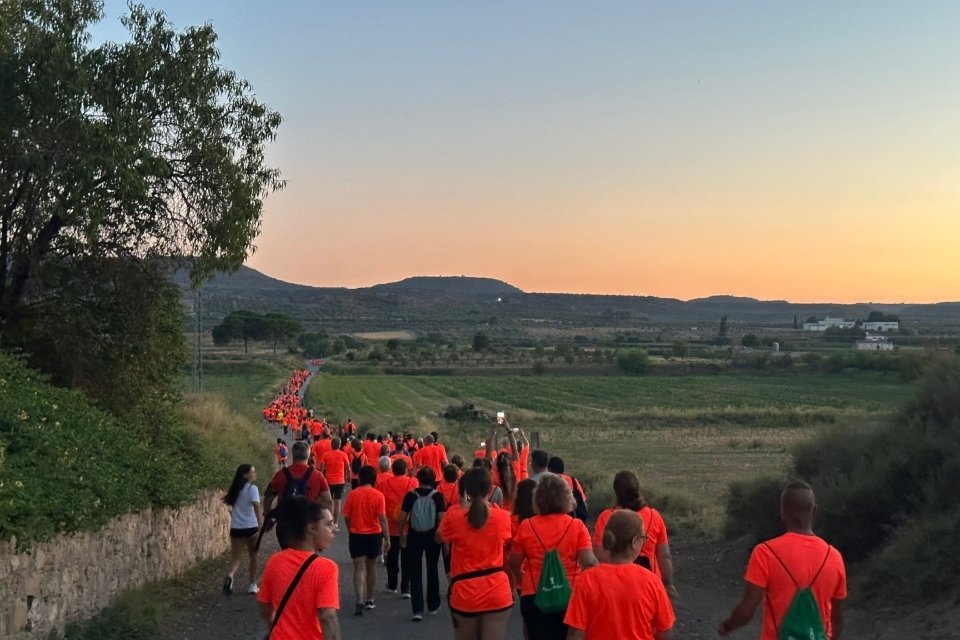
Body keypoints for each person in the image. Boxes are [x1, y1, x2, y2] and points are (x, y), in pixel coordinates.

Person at [719, 481, 846, 640]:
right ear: (814, 511)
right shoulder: (834, 557)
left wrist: (727, 626)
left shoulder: (765, 553)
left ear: (782, 512)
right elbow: (837, 620)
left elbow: (746, 612)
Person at [510, 473, 598, 640]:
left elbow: (514, 561)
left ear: (537, 499)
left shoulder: (527, 525)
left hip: (533, 594)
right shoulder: (576, 526)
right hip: (568, 594)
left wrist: (521, 580)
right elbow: (590, 562)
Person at [564, 510, 675, 640]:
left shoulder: (586, 579)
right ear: (634, 542)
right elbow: (665, 631)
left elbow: (576, 633)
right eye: (643, 538)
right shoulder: (652, 581)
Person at [437, 467, 513, 640]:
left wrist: (462, 506)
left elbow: (439, 537)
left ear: (466, 491)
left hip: (465, 592)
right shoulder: (503, 517)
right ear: (489, 489)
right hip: (497, 590)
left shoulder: (455, 518)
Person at [256, 498, 340, 640]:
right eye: (329, 524)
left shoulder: (274, 561)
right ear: (312, 528)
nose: (334, 530)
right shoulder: (326, 568)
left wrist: (275, 623)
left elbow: (264, 605)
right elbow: (326, 615)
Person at [592, 471, 676, 597]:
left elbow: (599, 554)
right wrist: (668, 583)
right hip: (649, 585)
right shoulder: (654, 516)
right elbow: (664, 556)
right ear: (638, 488)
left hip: (614, 586)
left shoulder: (606, 517)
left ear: (616, 491)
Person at [263, 442, 333, 549]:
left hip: (285, 523)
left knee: (288, 556)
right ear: (308, 455)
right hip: (308, 524)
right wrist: (323, 520)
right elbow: (328, 501)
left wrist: (268, 515)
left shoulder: (281, 474)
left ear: (293, 454)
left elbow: (268, 497)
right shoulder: (318, 475)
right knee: (308, 558)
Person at [399, 467, 447, 621]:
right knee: (432, 568)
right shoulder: (438, 497)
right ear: (433, 480)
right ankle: (433, 604)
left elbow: (402, 517)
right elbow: (442, 520)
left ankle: (417, 609)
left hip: (414, 536)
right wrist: (443, 540)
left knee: (415, 571)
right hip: (432, 536)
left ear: (418, 479)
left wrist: (402, 535)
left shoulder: (410, 496)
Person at [342, 465, 390, 616]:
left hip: (356, 534)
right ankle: (370, 599)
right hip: (374, 535)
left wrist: (351, 529)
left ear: (360, 478)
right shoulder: (378, 495)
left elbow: (346, 517)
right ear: (374, 479)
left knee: (358, 568)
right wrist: (387, 538)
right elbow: (382, 519)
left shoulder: (352, 495)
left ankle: (359, 599)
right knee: (372, 567)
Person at [379, 457, 418, 597]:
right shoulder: (413, 482)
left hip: (391, 525)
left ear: (392, 469)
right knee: (407, 558)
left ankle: (392, 584)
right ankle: (406, 588)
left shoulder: (383, 485)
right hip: (408, 525)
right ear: (406, 469)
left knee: (392, 557)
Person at [223, 464, 263, 596]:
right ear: (245, 475)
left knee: (236, 558)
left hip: (236, 528)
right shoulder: (252, 489)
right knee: (254, 556)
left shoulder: (235, 490)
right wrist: (260, 523)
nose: (255, 473)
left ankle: (230, 575)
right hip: (251, 527)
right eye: (252, 471)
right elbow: (257, 507)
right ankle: (252, 584)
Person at [320, 438, 351, 531]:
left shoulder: (326, 454)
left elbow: (321, 467)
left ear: (331, 445)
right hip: (340, 481)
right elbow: (348, 468)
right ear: (339, 445)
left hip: (328, 480)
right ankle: (336, 524)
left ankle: (328, 522)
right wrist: (347, 479)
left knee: (329, 502)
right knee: (337, 502)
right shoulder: (343, 454)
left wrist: (322, 477)